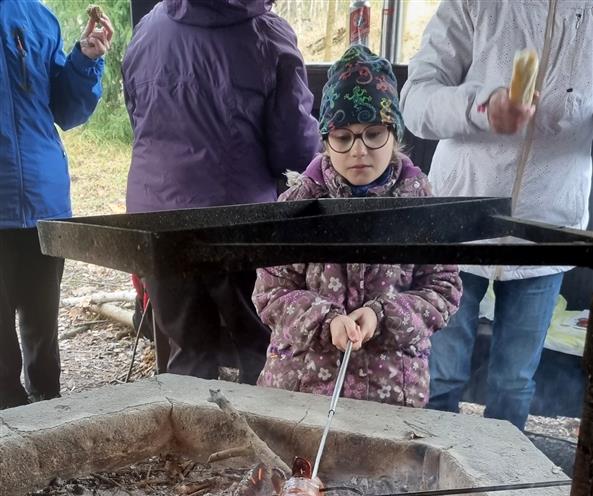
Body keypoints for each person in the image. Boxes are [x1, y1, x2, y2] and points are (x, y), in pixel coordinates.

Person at [400, 0, 593, 430]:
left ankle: (495, 489)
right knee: (441, 375)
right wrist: (482, 108)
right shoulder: (475, 3)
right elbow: (415, 102)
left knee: (514, 382)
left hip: (549, 222)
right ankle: (429, 477)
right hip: (461, 215)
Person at [122, 0, 320, 384]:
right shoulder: (268, 33)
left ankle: (188, 434)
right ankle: (258, 438)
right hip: (238, 220)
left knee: (188, 349)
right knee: (259, 343)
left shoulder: (148, 28)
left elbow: (138, 114)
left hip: (157, 215)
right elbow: (293, 146)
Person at [252, 45, 461, 407]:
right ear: (326, 140)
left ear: (394, 133)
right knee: (296, 465)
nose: (359, 150)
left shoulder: (423, 207)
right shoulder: (299, 205)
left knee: (382, 466)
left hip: (390, 393)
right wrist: (325, 320)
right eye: (343, 137)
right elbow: (270, 292)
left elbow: (443, 288)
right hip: (301, 390)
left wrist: (382, 316)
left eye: (374, 133)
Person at [0, 0, 112, 410]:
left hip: (44, 198)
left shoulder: (37, 15)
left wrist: (84, 59)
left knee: (42, 321)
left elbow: (66, 110)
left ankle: (49, 411)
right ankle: (9, 428)